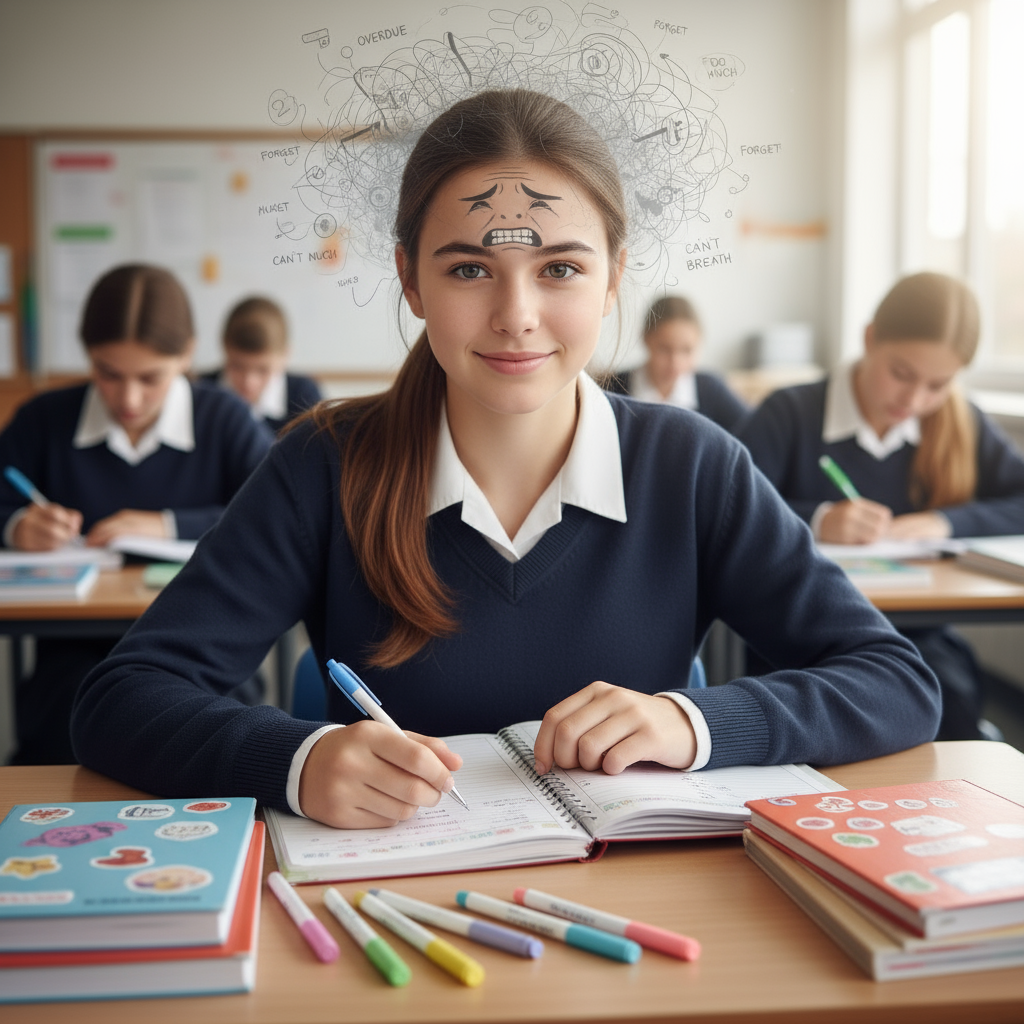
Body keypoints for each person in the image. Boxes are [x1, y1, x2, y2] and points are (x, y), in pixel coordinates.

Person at [72, 90, 939, 829]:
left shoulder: (692, 463)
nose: (517, 315)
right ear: (411, 280)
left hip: (649, 910)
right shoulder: (325, 464)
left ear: (612, 279)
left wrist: (693, 722)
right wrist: (293, 759)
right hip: (395, 917)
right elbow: (123, 699)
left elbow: (895, 681)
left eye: (561, 268)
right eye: (469, 270)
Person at [0, 263, 273, 764]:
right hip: (72, 664)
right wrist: (16, 525)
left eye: (150, 378)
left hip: (206, 650)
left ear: (187, 354)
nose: (128, 398)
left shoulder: (225, 419)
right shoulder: (45, 419)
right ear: (88, 355)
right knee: (58, 740)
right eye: (108, 373)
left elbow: (274, 518)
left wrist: (168, 523)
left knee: (213, 746)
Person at [738, 271, 1024, 740]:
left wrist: (943, 522)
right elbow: (729, 512)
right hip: (798, 640)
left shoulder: (960, 423)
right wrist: (819, 519)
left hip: (916, 640)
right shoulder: (788, 414)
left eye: (938, 385)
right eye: (902, 374)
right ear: (870, 339)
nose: (914, 400)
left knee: (948, 720)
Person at [604, 295, 748, 432]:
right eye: (665, 349)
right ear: (646, 339)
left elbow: (753, 430)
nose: (675, 362)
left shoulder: (711, 390)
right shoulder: (613, 387)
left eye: (687, 350)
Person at [202, 296, 322, 434]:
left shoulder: (305, 398)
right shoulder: (202, 391)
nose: (249, 382)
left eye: (263, 370)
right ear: (224, 348)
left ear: (285, 356)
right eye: (237, 366)